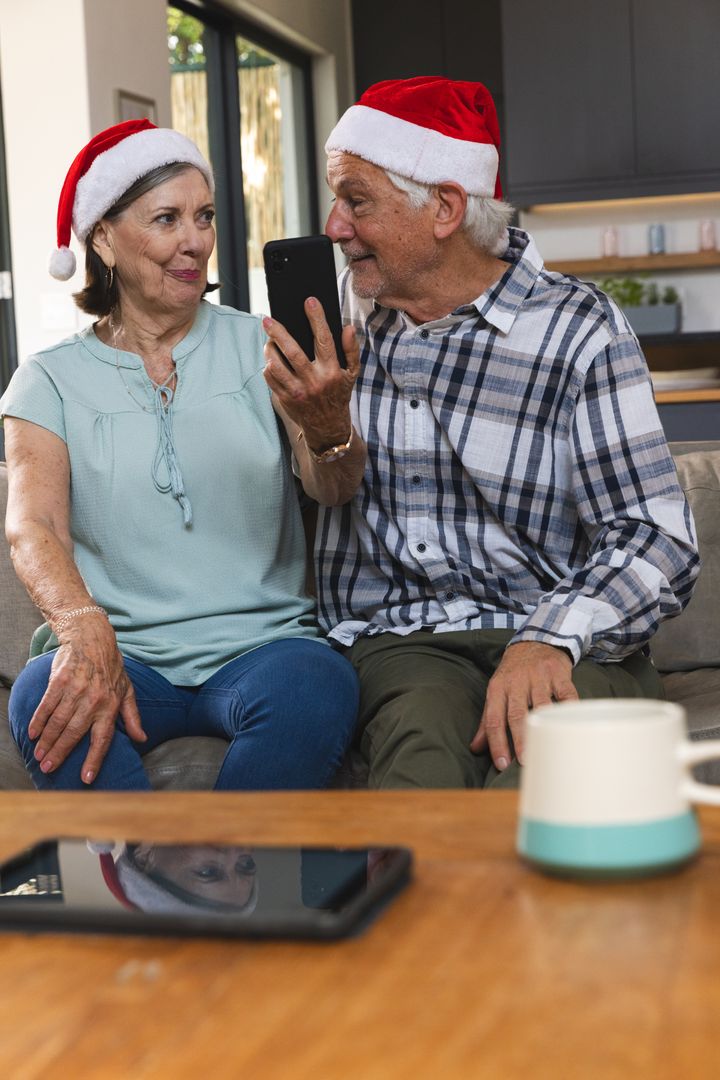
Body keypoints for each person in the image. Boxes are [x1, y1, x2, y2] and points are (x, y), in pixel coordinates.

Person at [266, 76, 700, 789]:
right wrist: (323, 428)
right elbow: (326, 491)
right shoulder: (330, 328)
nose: (335, 226)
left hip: (564, 634)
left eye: (356, 200)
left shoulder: (577, 329)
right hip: (403, 644)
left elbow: (655, 534)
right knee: (421, 775)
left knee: (538, 783)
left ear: (444, 207)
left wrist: (548, 639)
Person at [1, 118, 363, 791]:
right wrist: (81, 626)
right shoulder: (47, 379)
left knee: (318, 688)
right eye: (166, 219)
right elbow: (33, 526)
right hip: (126, 655)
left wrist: (328, 427)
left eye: (203, 217)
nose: (194, 241)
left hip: (266, 650)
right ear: (103, 238)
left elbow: (333, 488)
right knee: (39, 697)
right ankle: (141, 879)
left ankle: (242, 871)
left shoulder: (265, 344)